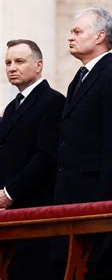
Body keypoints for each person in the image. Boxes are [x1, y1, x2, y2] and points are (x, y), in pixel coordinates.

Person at [52, 6, 112, 279]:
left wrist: (102, 205)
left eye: (78, 31)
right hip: (68, 195)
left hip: (94, 198)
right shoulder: (78, 78)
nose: (70, 37)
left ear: (100, 36)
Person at [0, 39, 65, 279]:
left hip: (34, 208)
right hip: (8, 214)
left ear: (38, 65)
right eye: (8, 62)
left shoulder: (53, 101)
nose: (11, 68)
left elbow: (46, 157)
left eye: (19, 61)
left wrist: (9, 193)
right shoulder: (12, 107)